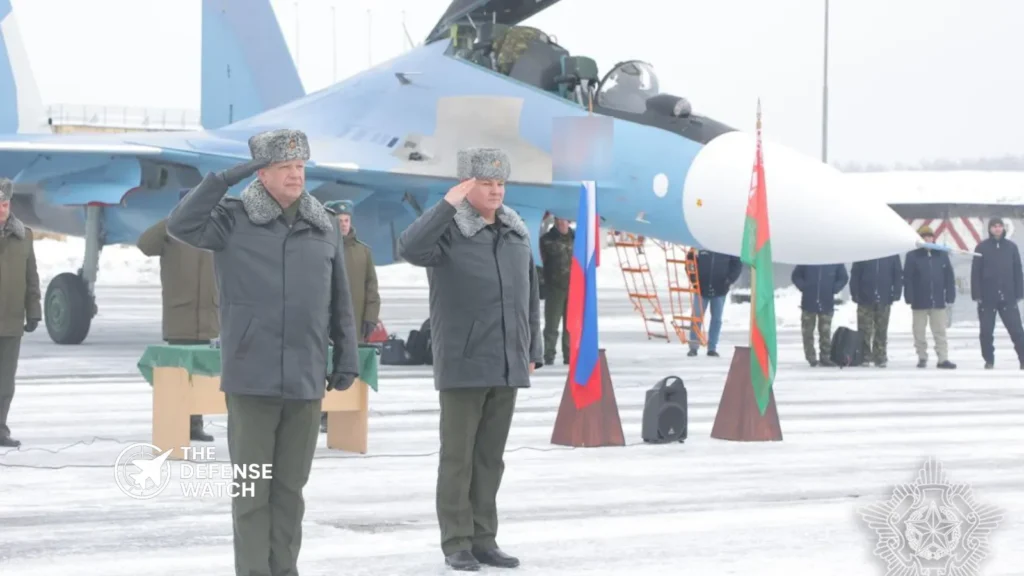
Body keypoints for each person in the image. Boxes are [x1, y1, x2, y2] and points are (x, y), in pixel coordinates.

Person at [166, 129, 361, 576]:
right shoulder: (231, 218)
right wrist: (218, 182)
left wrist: (346, 353)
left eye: (300, 167)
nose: (296, 175)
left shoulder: (323, 223)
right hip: (251, 377)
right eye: (285, 168)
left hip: (306, 376)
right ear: (263, 173)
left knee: (291, 490)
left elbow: (340, 297)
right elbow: (180, 225)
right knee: (252, 491)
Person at [398, 147, 542, 571]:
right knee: (458, 457)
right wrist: (447, 205)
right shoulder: (446, 233)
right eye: (485, 183)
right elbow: (409, 247)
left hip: (506, 362)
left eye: (500, 183)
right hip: (464, 361)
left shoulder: (515, 232)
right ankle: (456, 541)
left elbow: (529, 295)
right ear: (465, 186)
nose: (496, 190)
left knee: (490, 458)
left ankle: (484, 537)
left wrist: (531, 348)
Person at [137, 218, 219, 441]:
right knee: (178, 376)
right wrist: (169, 221)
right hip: (179, 316)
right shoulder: (171, 233)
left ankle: (195, 425)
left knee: (200, 376)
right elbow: (144, 244)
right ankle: (175, 423)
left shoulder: (214, 231)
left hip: (208, 317)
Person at [320, 199, 381, 432]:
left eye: (346, 220)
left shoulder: (363, 252)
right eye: (339, 220)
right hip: (325, 324)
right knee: (325, 368)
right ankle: (324, 413)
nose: (344, 225)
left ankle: (344, 417)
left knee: (349, 369)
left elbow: (371, 288)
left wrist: (370, 318)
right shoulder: (321, 246)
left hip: (354, 324)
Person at [0, 178, 41, 448]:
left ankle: (0, 429)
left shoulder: (23, 236)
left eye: (3, 204)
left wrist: (34, 311)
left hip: (10, 322)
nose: (0, 210)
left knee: (5, 383)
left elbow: (31, 277)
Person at [970, 217, 1024, 369]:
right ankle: (989, 360)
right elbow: (976, 273)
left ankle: (1023, 359)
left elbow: (1018, 271)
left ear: (1003, 228)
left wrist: (1019, 292)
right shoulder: (981, 248)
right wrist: (977, 295)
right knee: (986, 332)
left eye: (1000, 226)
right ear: (990, 229)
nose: (997, 229)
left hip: (1008, 297)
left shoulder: (1011, 247)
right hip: (987, 298)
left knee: (1017, 331)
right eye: (994, 226)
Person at [904, 225, 957, 369]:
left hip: (938, 300)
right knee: (919, 332)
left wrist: (950, 295)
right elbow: (907, 278)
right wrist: (909, 296)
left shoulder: (941, 255)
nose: (927, 239)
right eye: (924, 237)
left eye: (929, 236)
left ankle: (943, 358)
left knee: (940, 331)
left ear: (933, 238)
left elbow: (949, 278)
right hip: (919, 301)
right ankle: (922, 356)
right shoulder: (912, 256)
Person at [849, 255, 903, 368]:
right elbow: (855, 274)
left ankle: (880, 355)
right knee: (864, 329)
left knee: (881, 329)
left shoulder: (891, 253)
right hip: (865, 297)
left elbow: (897, 274)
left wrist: (896, 292)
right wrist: (855, 293)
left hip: (885, 296)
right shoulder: (865, 252)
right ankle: (864, 355)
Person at [686, 249, 742, 357]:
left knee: (716, 319)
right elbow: (690, 262)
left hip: (720, 289)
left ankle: (712, 348)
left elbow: (737, 265)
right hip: (700, 289)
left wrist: (728, 280)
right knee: (696, 317)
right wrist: (694, 280)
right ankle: (693, 347)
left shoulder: (727, 246)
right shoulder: (700, 245)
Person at [792, 263, 849, 367]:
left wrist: (834, 288)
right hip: (809, 302)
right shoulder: (808, 259)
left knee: (825, 332)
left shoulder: (835, 261)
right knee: (807, 332)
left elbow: (843, 278)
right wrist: (804, 287)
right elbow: (796, 276)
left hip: (826, 302)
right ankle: (811, 357)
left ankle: (825, 357)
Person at [539, 217, 574, 365]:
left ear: (569, 221)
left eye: (564, 219)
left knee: (571, 326)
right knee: (552, 325)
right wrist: (541, 285)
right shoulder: (547, 240)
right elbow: (540, 263)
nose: (561, 222)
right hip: (555, 288)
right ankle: (548, 355)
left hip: (573, 288)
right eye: (558, 219)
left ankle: (569, 355)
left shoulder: (577, 238)